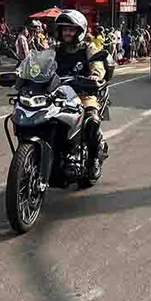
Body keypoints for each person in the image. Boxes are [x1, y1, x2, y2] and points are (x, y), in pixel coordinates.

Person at [53, 10, 107, 181]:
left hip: (83, 92)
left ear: (79, 31)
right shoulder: (55, 49)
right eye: (64, 29)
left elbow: (98, 65)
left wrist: (95, 76)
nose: (67, 33)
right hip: (56, 94)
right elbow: (40, 64)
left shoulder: (88, 48)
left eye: (71, 29)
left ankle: (93, 160)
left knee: (91, 120)